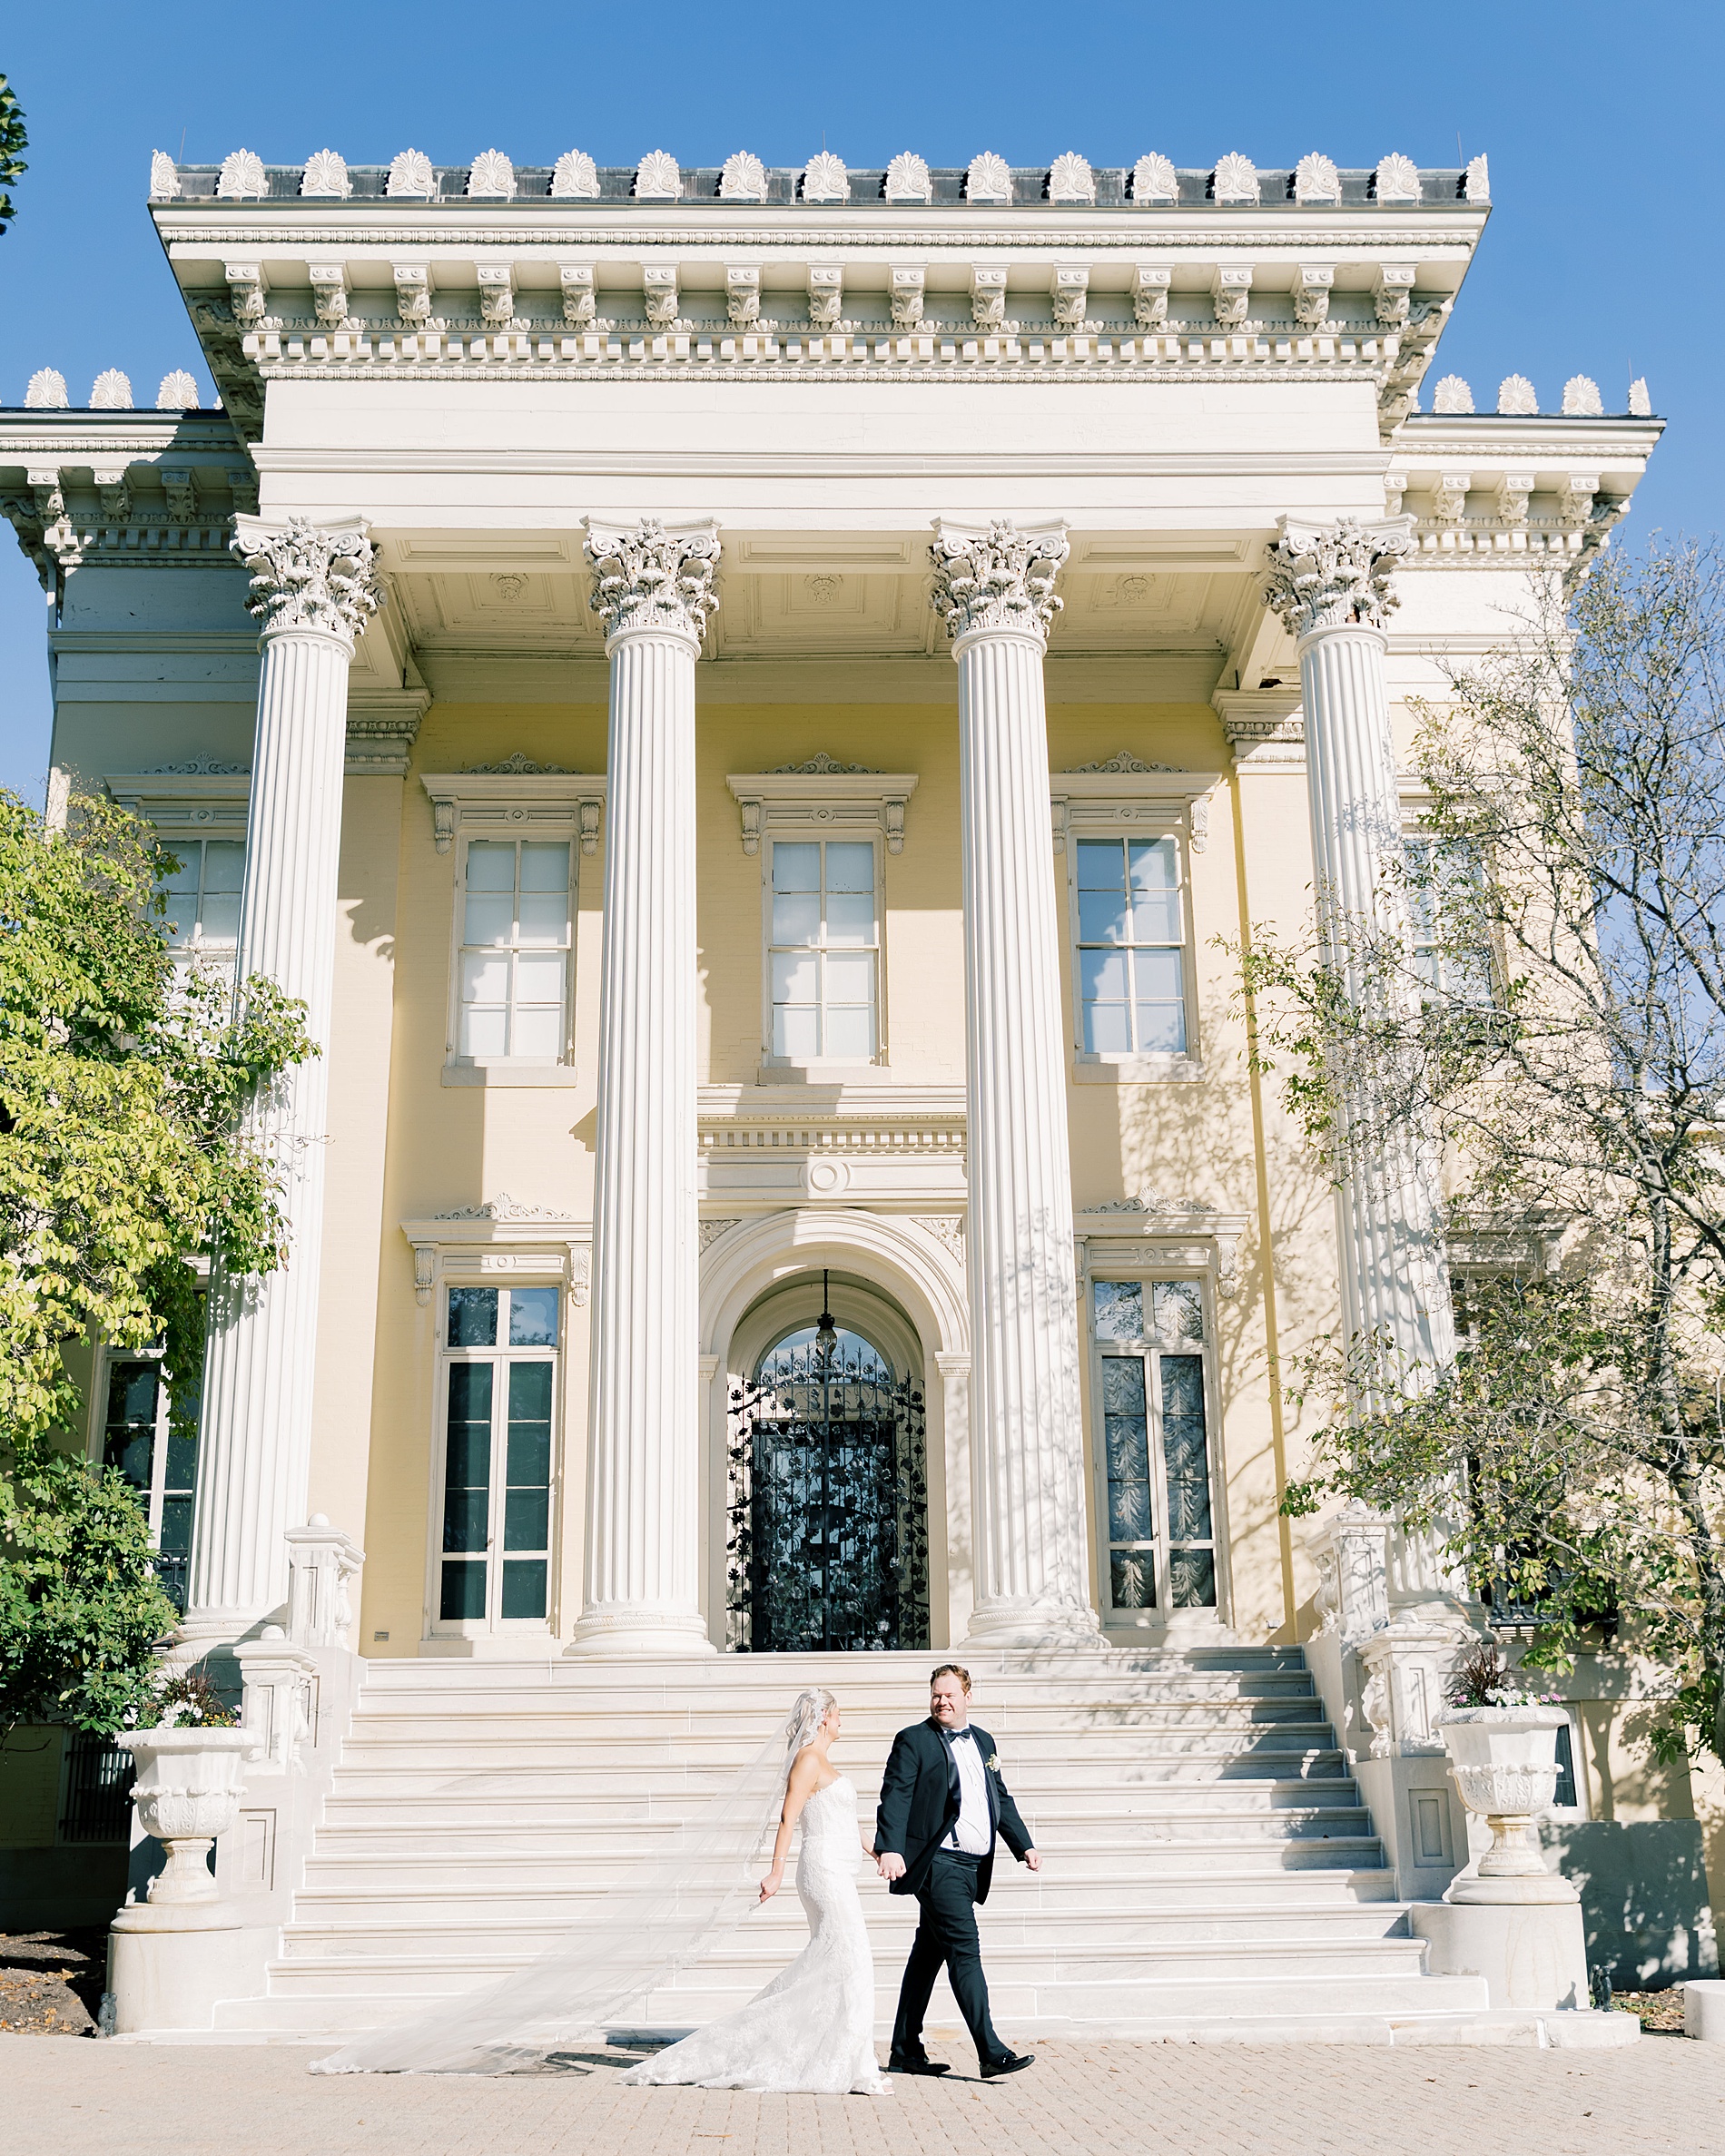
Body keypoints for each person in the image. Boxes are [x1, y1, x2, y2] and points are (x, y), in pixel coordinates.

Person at [620, 1687, 888, 2094]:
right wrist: (776, 1871)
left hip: (840, 1869)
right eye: (837, 1714)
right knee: (854, 1959)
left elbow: (847, 1823)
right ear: (823, 1719)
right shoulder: (807, 1760)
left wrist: (877, 1852)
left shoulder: (824, 1761)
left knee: (837, 1964)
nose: (841, 1721)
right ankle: (853, 2066)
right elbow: (788, 1817)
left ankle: (841, 2058)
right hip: (824, 1872)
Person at [873, 1663, 1038, 2081]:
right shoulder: (914, 1739)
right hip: (938, 1863)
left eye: (949, 1695)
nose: (941, 1702)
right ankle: (990, 2051)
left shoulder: (983, 1741)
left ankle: (905, 2050)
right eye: (936, 1695)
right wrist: (890, 1847)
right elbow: (895, 1795)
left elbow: (999, 1796)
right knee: (965, 1950)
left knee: (927, 1955)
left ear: (967, 1696)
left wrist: (1023, 1844)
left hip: (971, 1868)